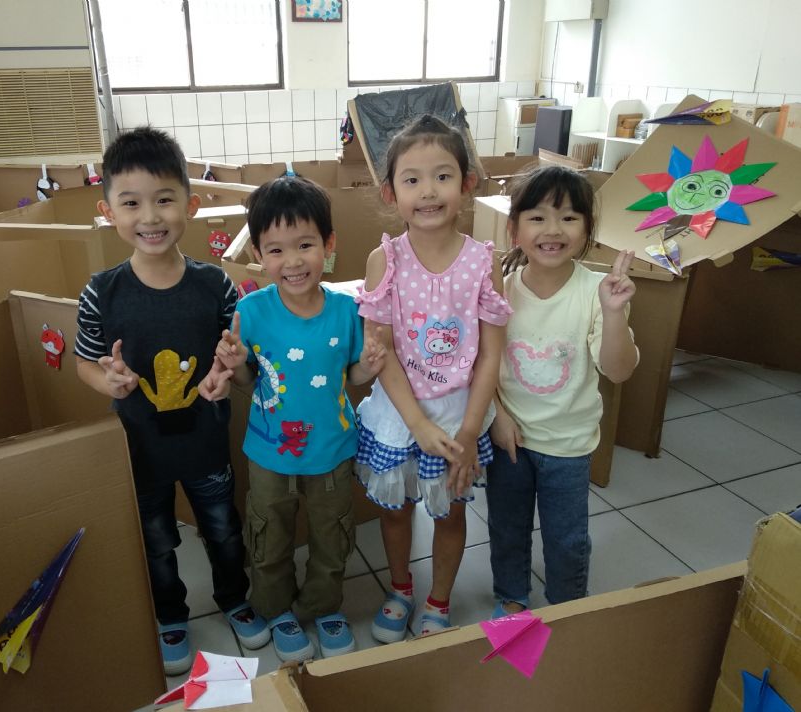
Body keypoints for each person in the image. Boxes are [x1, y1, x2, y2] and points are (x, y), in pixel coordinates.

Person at [73, 127, 269, 676]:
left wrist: (229, 370)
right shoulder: (100, 292)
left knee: (223, 529)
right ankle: (170, 615)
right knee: (156, 540)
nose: (150, 217)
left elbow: (236, 362)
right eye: (131, 203)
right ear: (108, 212)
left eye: (164, 199)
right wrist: (108, 382)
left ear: (191, 204)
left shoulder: (215, 285)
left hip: (206, 444)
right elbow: (84, 362)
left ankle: (234, 598)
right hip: (141, 451)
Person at [200, 176, 386, 662]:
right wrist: (234, 363)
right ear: (259, 254)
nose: (293, 261)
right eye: (276, 250)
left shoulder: (347, 310)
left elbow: (352, 376)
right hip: (268, 454)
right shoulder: (250, 311)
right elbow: (246, 382)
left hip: (333, 450)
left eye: (305, 245)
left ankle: (324, 606)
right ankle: (276, 608)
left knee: (332, 534)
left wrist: (371, 364)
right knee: (269, 535)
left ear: (329, 244)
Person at [354, 115, 511, 642]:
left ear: (467, 184)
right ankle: (401, 589)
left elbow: (490, 355)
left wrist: (467, 431)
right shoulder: (384, 260)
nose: (428, 191)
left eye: (443, 176)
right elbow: (381, 352)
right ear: (391, 192)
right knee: (395, 512)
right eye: (412, 179)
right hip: (400, 416)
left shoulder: (483, 263)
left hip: (458, 415)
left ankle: (438, 600)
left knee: (450, 513)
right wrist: (417, 423)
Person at [487, 165, 639, 617]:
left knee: (567, 537)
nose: (553, 230)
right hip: (510, 439)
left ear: (587, 229)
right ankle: (511, 596)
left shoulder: (598, 291)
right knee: (507, 527)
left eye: (569, 217)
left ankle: (566, 606)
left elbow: (619, 371)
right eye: (537, 217)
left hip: (569, 446)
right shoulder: (499, 290)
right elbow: (480, 363)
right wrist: (496, 415)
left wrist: (614, 313)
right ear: (514, 229)